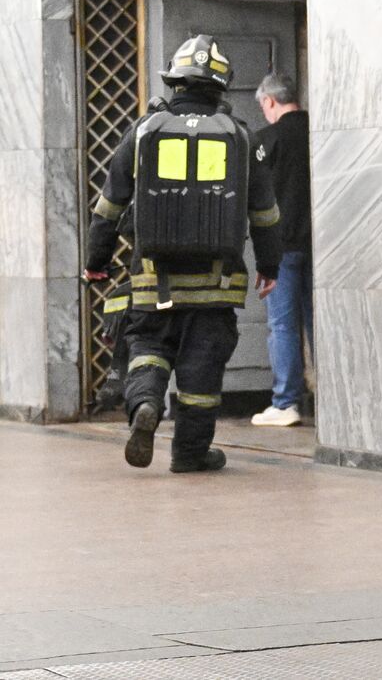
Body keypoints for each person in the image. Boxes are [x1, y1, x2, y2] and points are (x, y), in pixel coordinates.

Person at [84, 34, 282, 473]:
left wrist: (95, 262)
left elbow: (109, 206)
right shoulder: (240, 137)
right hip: (216, 284)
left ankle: (145, 407)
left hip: (154, 280)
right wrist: (270, 267)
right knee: (201, 372)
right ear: (220, 85)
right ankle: (190, 454)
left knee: (149, 349)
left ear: (175, 82)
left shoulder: (143, 131)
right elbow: (265, 213)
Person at [249, 73, 313, 428]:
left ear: (270, 101)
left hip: (283, 246)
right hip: (319, 245)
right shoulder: (317, 132)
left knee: (283, 325)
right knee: (318, 323)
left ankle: (286, 401)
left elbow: (258, 197)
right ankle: (332, 398)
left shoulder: (266, 139)